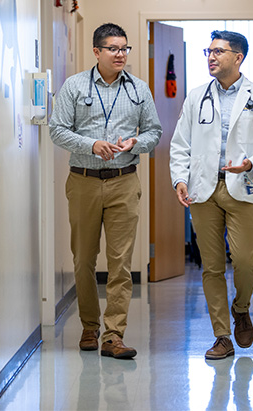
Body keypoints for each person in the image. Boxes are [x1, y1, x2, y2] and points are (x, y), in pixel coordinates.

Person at [169, 30, 253, 360]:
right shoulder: (195, 97)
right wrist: (179, 178)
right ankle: (222, 335)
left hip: (242, 187)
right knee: (212, 266)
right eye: (209, 50)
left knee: (247, 261)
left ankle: (242, 307)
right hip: (203, 189)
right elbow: (180, 145)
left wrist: (252, 162)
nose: (211, 56)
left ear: (238, 57)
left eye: (219, 51)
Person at [50, 23, 162, 359]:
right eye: (113, 48)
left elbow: (154, 131)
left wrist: (136, 143)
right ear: (97, 51)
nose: (121, 55)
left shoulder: (139, 89)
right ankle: (89, 326)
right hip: (83, 180)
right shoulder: (74, 86)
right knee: (84, 259)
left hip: (124, 181)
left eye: (125, 49)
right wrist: (92, 144)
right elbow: (57, 130)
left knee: (121, 263)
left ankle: (113, 335)